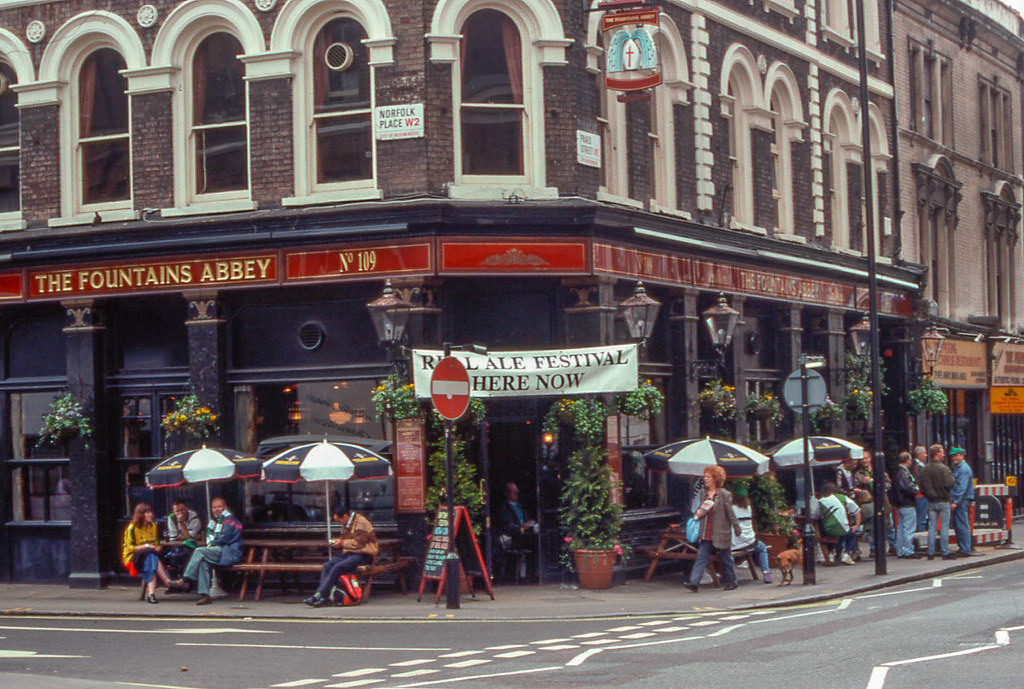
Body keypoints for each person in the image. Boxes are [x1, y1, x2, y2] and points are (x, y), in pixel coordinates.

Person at [172, 497, 244, 605]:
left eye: (219, 506)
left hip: (229, 552)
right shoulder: (214, 522)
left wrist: (210, 544)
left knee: (200, 551)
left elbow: (223, 538)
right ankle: (205, 596)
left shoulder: (230, 520)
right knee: (203, 562)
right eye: (214, 507)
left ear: (225, 507)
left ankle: (185, 579)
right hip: (219, 551)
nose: (216, 509)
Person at [303, 506, 379, 607]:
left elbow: (359, 543)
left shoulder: (360, 523)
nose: (339, 523)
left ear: (345, 516)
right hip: (351, 553)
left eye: (339, 521)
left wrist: (341, 543)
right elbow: (348, 541)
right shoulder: (348, 523)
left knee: (338, 567)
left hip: (364, 554)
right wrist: (339, 542)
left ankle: (321, 595)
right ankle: (323, 597)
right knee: (327, 565)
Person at [683, 465, 741, 593]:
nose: (705, 479)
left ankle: (732, 581)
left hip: (720, 531)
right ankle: (694, 582)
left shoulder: (725, 494)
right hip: (706, 530)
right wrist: (699, 512)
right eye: (705, 476)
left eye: (708, 476)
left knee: (726, 557)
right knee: (701, 557)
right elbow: (702, 509)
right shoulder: (704, 493)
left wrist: (736, 527)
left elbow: (730, 512)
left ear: (716, 478)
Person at [122, 502, 180, 604]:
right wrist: (146, 546)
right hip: (133, 559)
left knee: (150, 557)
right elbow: (130, 548)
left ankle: (151, 594)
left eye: (151, 512)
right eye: (147, 513)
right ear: (140, 514)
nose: (151, 515)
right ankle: (167, 581)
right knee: (149, 554)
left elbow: (157, 543)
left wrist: (158, 547)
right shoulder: (132, 528)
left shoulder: (153, 526)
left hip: (150, 557)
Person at [919, 443, 955, 561]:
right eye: (942, 451)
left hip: (931, 501)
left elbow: (922, 486)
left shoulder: (925, 469)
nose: (944, 454)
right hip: (943, 500)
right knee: (944, 527)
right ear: (937, 453)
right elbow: (949, 483)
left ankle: (930, 552)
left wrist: (928, 495)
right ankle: (945, 552)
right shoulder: (943, 468)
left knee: (932, 527)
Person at [730, 484, 773, 584]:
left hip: (734, 543)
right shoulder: (748, 508)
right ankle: (766, 573)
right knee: (762, 548)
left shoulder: (731, 508)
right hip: (750, 542)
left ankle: (729, 576)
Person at [813, 481, 861, 565]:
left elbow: (816, 515)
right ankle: (847, 554)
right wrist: (856, 525)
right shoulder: (844, 498)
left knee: (828, 533)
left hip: (829, 529)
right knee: (852, 535)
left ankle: (831, 554)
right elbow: (857, 510)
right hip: (843, 528)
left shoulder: (820, 501)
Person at [892, 451, 922, 559]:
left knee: (901, 528)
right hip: (907, 503)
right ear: (907, 460)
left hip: (900, 504)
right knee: (908, 528)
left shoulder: (898, 472)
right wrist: (915, 489)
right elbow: (907, 488)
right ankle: (908, 550)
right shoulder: (903, 473)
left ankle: (900, 549)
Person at [164, 500, 202, 579]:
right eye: (177, 511)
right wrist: (185, 536)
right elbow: (173, 537)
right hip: (176, 545)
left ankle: (186, 580)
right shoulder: (171, 518)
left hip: (192, 545)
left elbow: (189, 537)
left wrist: (181, 523)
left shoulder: (194, 517)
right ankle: (173, 582)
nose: (180, 513)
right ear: (173, 512)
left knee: (187, 554)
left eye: (182, 510)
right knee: (169, 557)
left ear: (187, 509)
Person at [949, 447, 976, 557]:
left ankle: (965, 549)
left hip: (961, 501)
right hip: (960, 500)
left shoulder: (963, 469)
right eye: (953, 456)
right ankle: (963, 548)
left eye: (956, 455)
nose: (954, 458)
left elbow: (961, 488)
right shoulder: (958, 468)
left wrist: (955, 501)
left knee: (962, 524)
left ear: (962, 456)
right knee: (958, 524)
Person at [911, 445, 929, 532]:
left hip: (921, 494)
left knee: (921, 516)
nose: (926, 455)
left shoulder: (919, 465)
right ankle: (920, 534)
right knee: (921, 517)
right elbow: (919, 480)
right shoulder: (916, 466)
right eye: (925, 453)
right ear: (920, 454)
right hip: (920, 495)